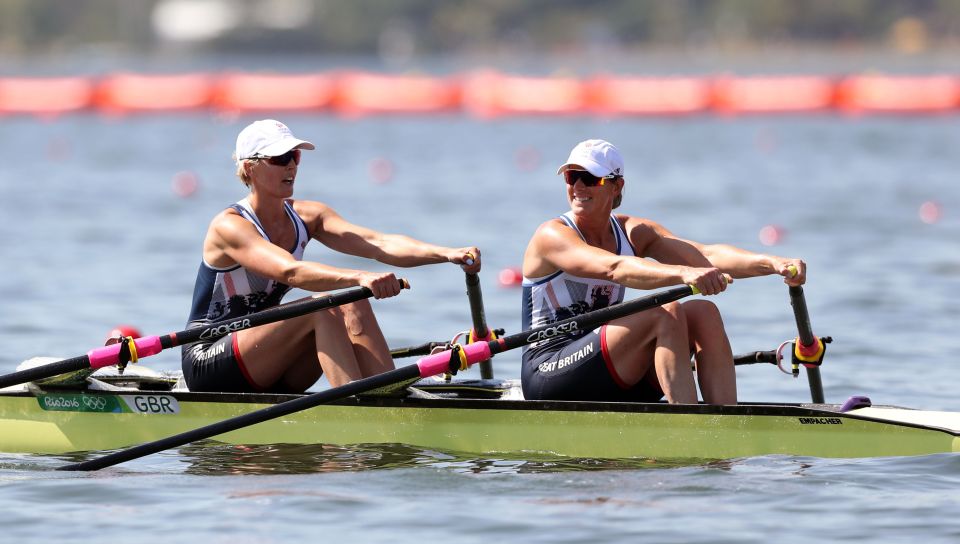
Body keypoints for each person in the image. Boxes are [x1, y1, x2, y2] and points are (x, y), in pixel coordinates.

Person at [182, 119, 481, 393]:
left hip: (265, 354)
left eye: (295, 156)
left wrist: (447, 253)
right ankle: (358, 414)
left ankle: (388, 400)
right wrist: (361, 276)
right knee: (322, 307)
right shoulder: (229, 226)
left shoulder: (309, 216)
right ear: (250, 168)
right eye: (279, 158)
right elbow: (290, 272)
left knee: (353, 300)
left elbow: (379, 242)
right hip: (209, 357)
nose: (291, 166)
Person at [520, 139, 805, 405]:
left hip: (610, 368)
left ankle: (726, 425)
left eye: (591, 178)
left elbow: (705, 256)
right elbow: (614, 267)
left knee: (704, 313)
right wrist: (684, 274)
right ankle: (692, 428)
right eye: (572, 177)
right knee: (665, 313)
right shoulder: (552, 235)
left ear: (616, 186)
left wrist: (773, 263)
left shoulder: (634, 232)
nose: (578, 187)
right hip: (550, 370)